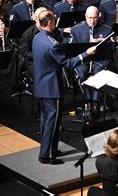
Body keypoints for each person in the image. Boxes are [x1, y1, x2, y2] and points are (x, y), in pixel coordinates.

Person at [32, 10, 96, 165]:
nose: (55, 23)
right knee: (52, 121)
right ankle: (46, 155)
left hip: (41, 85)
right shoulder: (51, 45)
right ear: (49, 23)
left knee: (46, 120)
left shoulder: (37, 38)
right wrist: (85, 54)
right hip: (51, 88)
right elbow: (68, 64)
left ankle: (50, 149)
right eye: (54, 21)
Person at [70, 6, 112, 119]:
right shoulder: (76, 29)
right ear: (85, 16)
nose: (92, 21)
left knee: (98, 74)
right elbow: (72, 50)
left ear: (98, 16)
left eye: (95, 18)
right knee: (82, 74)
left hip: (100, 59)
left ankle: (95, 102)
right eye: (90, 18)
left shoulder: (107, 29)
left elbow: (111, 50)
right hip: (83, 60)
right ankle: (87, 100)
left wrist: (104, 43)